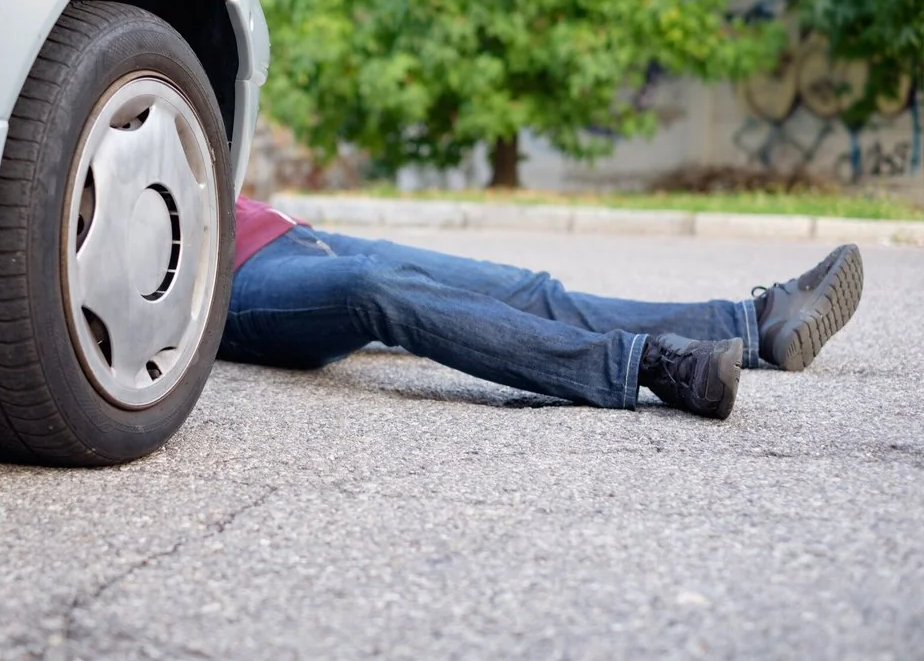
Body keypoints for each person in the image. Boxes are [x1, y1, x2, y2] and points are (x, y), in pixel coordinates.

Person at [218, 196, 864, 420]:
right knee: (372, 290)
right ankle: (648, 367)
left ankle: (756, 326)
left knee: (528, 288)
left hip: (285, 230)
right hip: (226, 284)